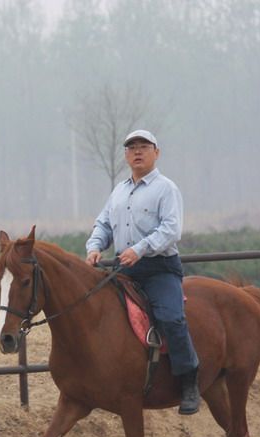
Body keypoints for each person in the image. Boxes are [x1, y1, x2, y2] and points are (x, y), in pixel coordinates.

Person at [85, 129, 201, 415]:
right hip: (124, 267)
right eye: (132, 147)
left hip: (158, 268)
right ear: (125, 155)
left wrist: (140, 249)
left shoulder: (166, 189)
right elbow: (103, 224)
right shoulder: (119, 191)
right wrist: (94, 247)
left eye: (144, 147)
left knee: (171, 319)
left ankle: (189, 382)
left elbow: (171, 230)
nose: (137, 151)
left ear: (156, 152)